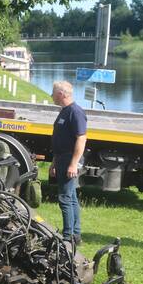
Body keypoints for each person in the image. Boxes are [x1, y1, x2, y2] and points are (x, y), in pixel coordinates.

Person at [51, 80, 87, 246]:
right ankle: (75, 235)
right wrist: (53, 162)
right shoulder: (64, 111)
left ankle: (67, 237)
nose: (51, 95)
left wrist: (73, 164)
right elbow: (60, 140)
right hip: (61, 158)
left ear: (61, 94)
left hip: (69, 159)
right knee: (71, 198)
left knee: (65, 199)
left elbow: (81, 138)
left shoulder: (75, 112)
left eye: (53, 92)